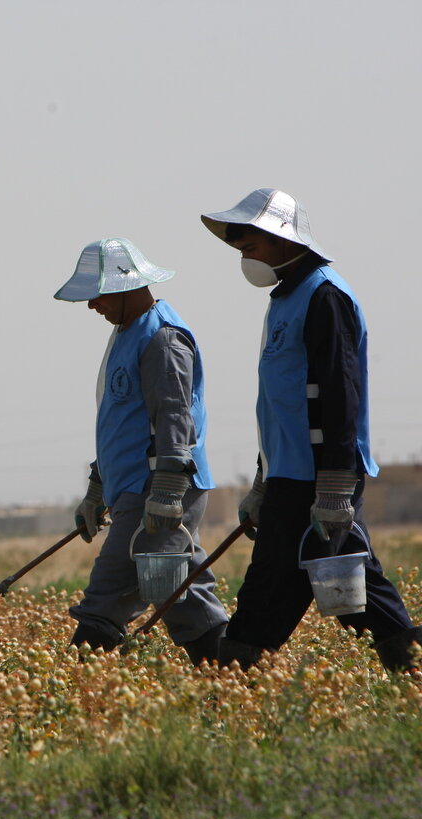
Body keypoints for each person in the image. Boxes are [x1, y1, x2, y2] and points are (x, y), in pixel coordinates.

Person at [202, 188, 421, 672]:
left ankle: (232, 684)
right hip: (290, 475)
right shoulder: (285, 298)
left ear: (282, 240)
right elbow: (278, 409)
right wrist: (264, 481)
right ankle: (412, 665)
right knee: (349, 581)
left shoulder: (325, 296)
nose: (245, 258)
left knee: (273, 586)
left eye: (250, 247)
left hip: (318, 478)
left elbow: (340, 396)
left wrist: (336, 488)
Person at [54, 239, 229, 664]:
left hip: (157, 488)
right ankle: (235, 678)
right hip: (137, 487)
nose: (92, 305)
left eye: (98, 295)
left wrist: (167, 491)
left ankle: (71, 700)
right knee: (183, 594)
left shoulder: (162, 339)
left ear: (126, 287)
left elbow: (174, 418)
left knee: (107, 596)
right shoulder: (127, 334)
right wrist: (98, 489)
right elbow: (123, 424)